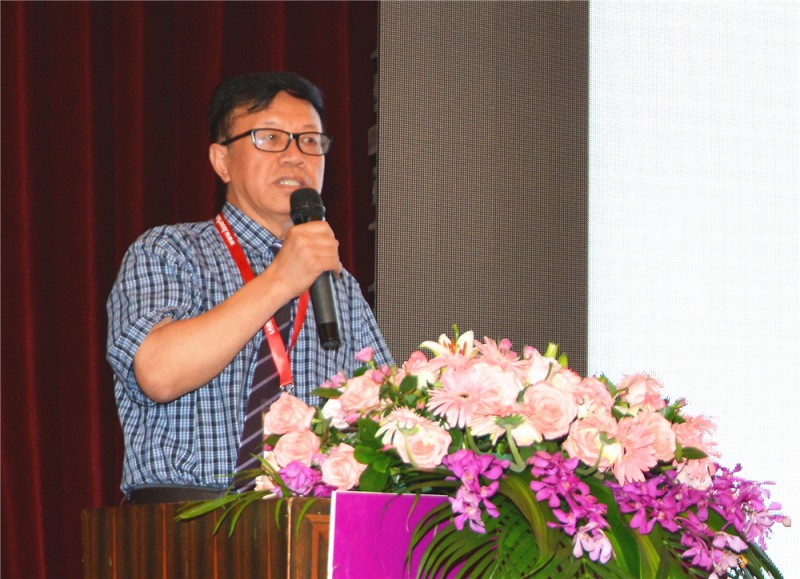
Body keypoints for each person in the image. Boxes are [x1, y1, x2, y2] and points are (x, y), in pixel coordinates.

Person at [107, 71, 393, 503]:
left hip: (304, 520)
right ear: (221, 161)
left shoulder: (338, 283)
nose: (295, 156)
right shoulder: (170, 250)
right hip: (183, 520)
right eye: (270, 138)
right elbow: (159, 374)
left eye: (310, 140)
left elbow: (383, 419)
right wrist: (282, 278)